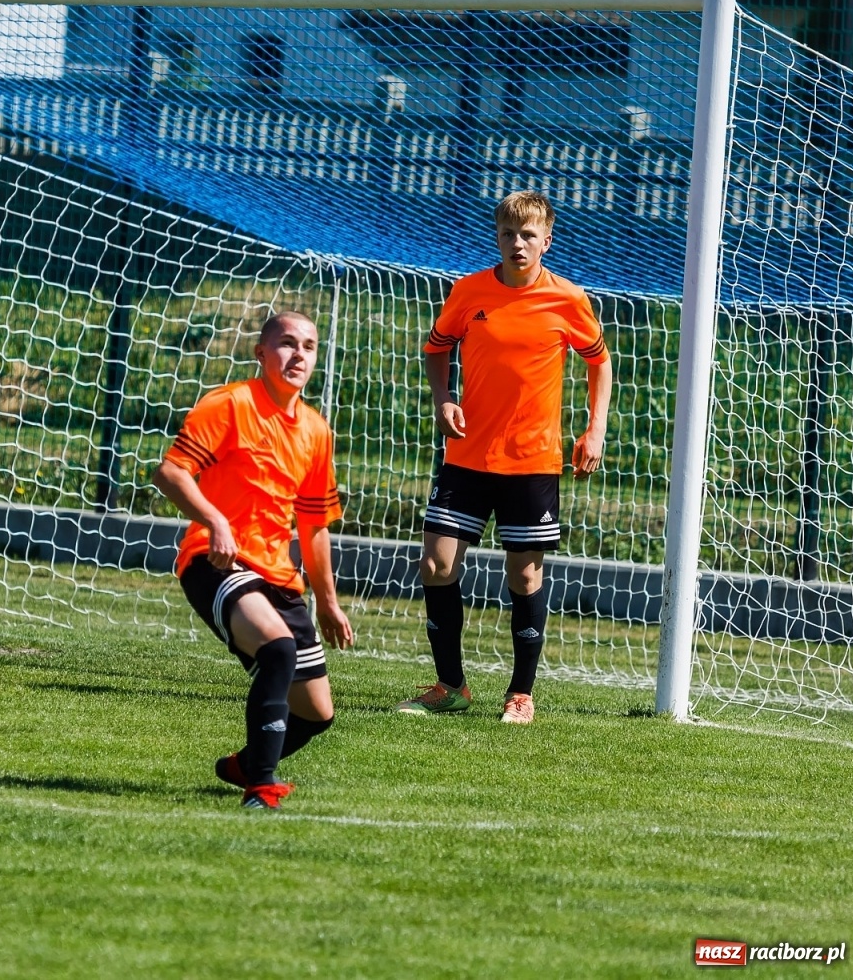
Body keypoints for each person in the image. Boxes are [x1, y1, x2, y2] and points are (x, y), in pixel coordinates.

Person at [401, 190, 612, 725]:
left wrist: (595, 430)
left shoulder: (568, 299)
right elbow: (435, 348)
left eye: (527, 235)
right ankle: (451, 686)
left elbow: (599, 363)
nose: (516, 244)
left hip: (532, 462)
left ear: (547, 240)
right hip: (467, 456)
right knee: (436, 563)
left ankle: (521, 694)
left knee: (523, 578)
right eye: (506, 234)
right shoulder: (468, 291)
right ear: (496, 237)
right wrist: (444, 398)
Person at [152, 312, 353, 810]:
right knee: (279, 650)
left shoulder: (315, 430)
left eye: (308, 345)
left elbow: (314, 526)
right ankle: (260, 786)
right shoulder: (230, 404)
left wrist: (327, 602)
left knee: (318, 713)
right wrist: (215, 521)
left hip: (278, 577)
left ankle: (245, 763)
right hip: (214, 562)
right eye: (286, 344)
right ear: (261, 354)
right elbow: (171, 473)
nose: (299, 354)